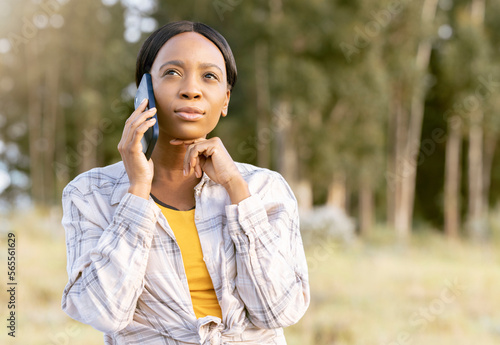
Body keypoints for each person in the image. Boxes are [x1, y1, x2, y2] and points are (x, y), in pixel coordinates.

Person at [61, 20, 310, 345]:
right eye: (172, 72)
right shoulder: (89, 193)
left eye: (209, 76)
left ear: (225, 100)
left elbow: (280, 311)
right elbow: (102, 313)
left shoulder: (264, 189)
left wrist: (237, 189)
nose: (191, 89)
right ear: (143, 93)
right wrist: (137, 192)